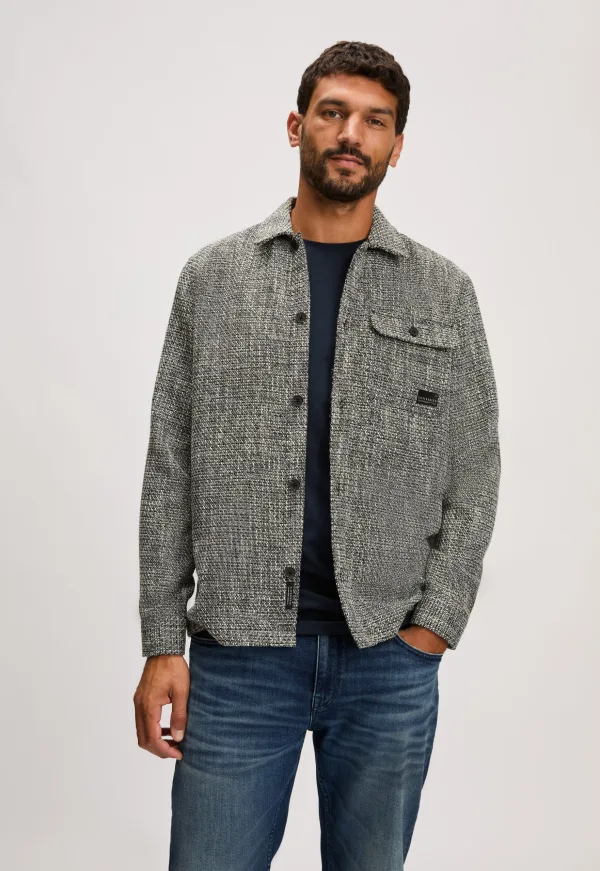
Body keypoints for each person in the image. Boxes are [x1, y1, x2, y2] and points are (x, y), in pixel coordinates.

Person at [133, 39, 501, 871]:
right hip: (238, 658)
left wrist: (434, 626)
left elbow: (475, 466)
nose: (351, 134)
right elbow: (170, 468)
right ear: (297, 125)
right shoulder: (213, 279)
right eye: (333, 113)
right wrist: (162, 641)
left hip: (388, 660)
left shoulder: (444, 291)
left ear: (396, 146)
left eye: (375, 121)